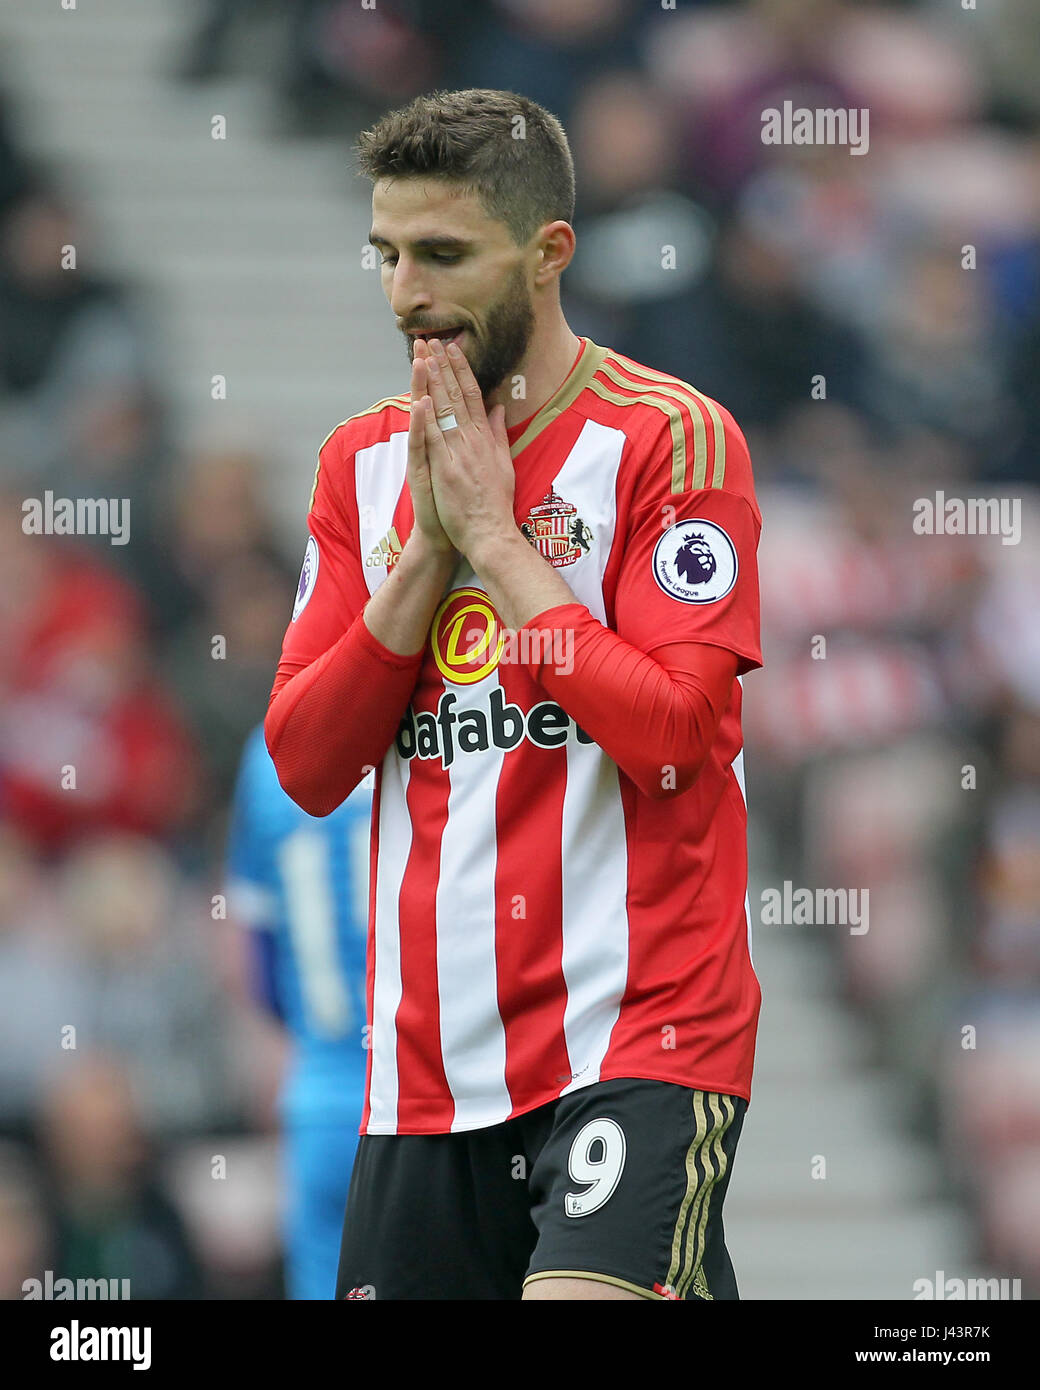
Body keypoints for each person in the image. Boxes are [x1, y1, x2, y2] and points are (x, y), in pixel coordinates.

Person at [265, 87, 763, 1301]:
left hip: (637, 1031)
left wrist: (495, 541)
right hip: (426, 1070)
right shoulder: (360, 465)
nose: (404, 294)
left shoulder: (671, 441)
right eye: (385, 253)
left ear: (548, 255)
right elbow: (306, 763)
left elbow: (674, 737)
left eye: (442, 255)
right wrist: (428, 550)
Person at [226, 724, 371, 1299]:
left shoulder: (267, 750)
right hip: (430, 1098)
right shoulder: (439, 718)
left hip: (317, 1097)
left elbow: (255, 954)